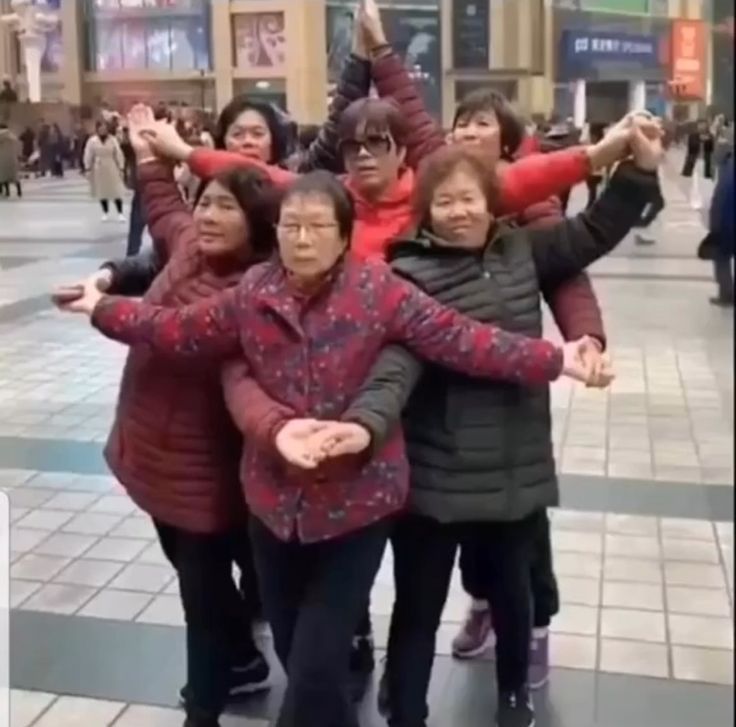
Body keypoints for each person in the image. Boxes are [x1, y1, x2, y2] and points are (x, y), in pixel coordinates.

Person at [58, 165, 596, 727]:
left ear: (344, 235)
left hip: (357, 505)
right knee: (299, 660)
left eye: (317, 227)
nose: (303, 239)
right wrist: (101, 308)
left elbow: (464, 340)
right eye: (291, 226)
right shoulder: (253, 295)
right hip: (273, 505)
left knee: (314, 667)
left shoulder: (380, 291)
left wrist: (558, 359)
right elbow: (177, 330)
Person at [309, 128, 662, 727]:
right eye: (444, 202)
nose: (459, 212)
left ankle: (515, 700)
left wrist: (637, 171)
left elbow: (594, 231)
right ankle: (408, 709)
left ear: (491, 200)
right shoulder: (406, 273)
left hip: (513, 464)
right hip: (432, 468)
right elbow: (394, 366)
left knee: (512, 598)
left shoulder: (522, 250)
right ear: (425, 212)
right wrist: (366, 425)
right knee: (418, 603)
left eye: (470, 197)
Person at [55, 107, 277, 727]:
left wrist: (102, 309)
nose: (206, 215)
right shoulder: (187, 249)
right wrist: (148, 154)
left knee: (202, 599)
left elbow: (175, 331)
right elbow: (164, 208)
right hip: (153, 455)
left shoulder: (256, 286)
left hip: (205, 470)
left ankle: (205, 706)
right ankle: (242, 659)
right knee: (196, 575)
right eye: (204, 203)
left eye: (225, 208)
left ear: (258, 222)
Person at [83, 120, 127, 221]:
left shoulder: (113, 140)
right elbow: (88, 154)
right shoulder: (92, 140)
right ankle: (105, 212)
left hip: (111, 165)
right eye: (100, 128)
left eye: (104, 128)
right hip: (98, 167)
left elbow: (118, 153)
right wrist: (87, 167)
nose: (102, 130)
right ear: (97, 129)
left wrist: (121, 167)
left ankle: (120, 212)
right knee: (102, 191)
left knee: (116, 190)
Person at [708, 154, 734, 306]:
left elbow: (720, 198)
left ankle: (726, 294)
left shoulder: (728, 169)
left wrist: (714, 224)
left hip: (727, 223)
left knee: (721, 257)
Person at [0, 122, 21, 198]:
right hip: (12, 158)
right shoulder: (12, 136)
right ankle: (19, 191)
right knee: (14, 176)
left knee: (3, 176)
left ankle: (7, 192)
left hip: (2, 158)